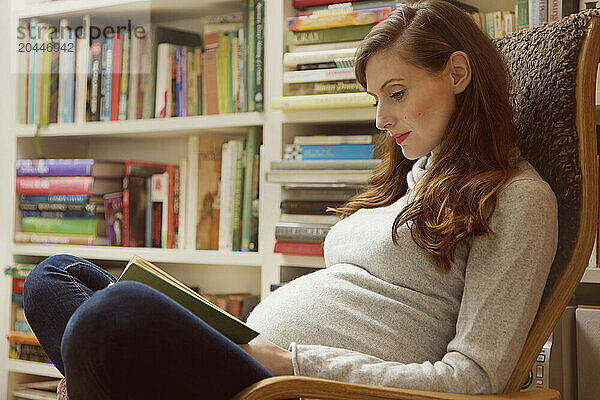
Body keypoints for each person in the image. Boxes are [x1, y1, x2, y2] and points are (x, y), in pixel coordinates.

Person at [23, 0, 558, 398]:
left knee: (115, 312)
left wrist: (289, 359)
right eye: (376, 99)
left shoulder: (519, 200)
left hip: (291, 385)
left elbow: (473, 380)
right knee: (54, 276)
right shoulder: (417, 177)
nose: (380, 119)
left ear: (458, 74)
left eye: (396, 93)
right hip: (254, 360)